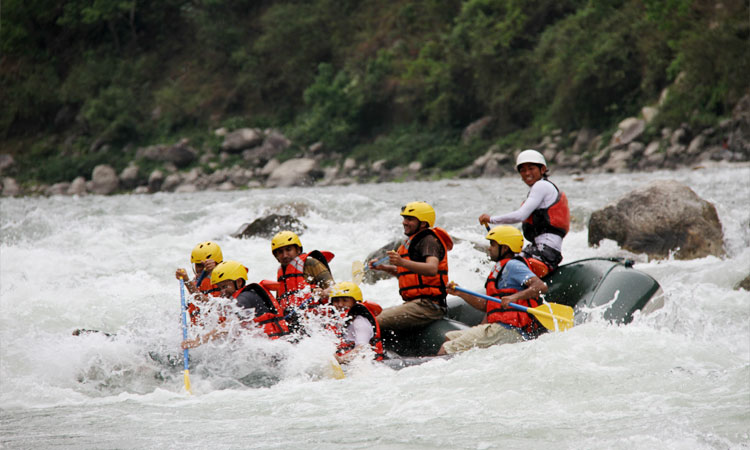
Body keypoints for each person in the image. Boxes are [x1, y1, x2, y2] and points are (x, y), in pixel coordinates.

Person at [437, 226, 548, 355]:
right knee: (450, 337)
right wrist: (461, 293)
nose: (489, 248)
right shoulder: (499, 268)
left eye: (493, 244)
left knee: (447, 348)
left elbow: (541, 286)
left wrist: (514, 297)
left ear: (505, 248)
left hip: (509, 329)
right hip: (499, 327)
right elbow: (488, 306)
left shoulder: (513, 265)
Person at [478, 149, 570, 277]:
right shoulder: (541, 187)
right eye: (523, 170)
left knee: (506, 263)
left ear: (542, 169)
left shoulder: (541, 186)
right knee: (505, 255)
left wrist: (491, 219)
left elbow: (521, 215)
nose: (527, 173)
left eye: (531, 168)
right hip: (543, 250)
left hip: (545, 253)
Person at [371, 201, 453, 331]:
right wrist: (384, 268)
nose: (404, 222)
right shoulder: (414, 241)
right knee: (367, 316)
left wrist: (401, 262)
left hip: (429, 306)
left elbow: (432, 269)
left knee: (371, 321)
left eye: (410, 219)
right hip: (416, 304)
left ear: (423, 223)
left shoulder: (429, 241)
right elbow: (409, 274)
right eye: (404, 218)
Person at [181, 260, 289, 348]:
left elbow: (227, 325)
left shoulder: (245, 298)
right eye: (220, 288)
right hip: (270, 347)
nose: (222, 292)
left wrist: (198, 341)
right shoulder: (237, 299)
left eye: (224, 287)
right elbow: (206, 303)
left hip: (274, 350)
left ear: (238, 282)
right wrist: (186, 280)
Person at [271, 230, 335, 321]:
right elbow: (280, 300)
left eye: (288, 249)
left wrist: (323, 293)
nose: (285, 255)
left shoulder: (310, 263)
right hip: (291, 321)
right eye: (280, 252)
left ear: (298, 250)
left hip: (315, 319)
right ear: (276, 256)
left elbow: (334, 288)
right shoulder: (281, 273)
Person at [329, 281, 384, 363]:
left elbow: (363, 347)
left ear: (355, 302)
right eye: (336, 301)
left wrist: (341, 360)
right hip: (346, 357)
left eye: (345, 300)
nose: (340, 304)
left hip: (367, 363)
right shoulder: (335, 319)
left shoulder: (360, 321)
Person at [175, 241, 223, 325]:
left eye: (202, 265)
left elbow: (207, 304)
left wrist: (187, 281)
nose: (199, 269)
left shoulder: (224, 281)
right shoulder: (195, 282)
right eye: (197, 265)